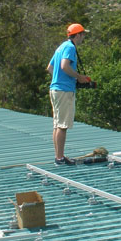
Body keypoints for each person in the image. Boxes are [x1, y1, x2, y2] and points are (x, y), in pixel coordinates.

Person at [47, 23, 92, 166]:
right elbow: (64, 66)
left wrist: (60, 78)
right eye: (83, 34)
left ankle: (58, 156)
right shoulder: (70, 47)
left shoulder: (61, 46)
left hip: (55, 89)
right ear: (77, 35)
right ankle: (59, 159)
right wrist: (78, 77)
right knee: (63, 125)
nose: (83, 37)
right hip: (64, 90)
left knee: (57, 124)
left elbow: (50, 68)